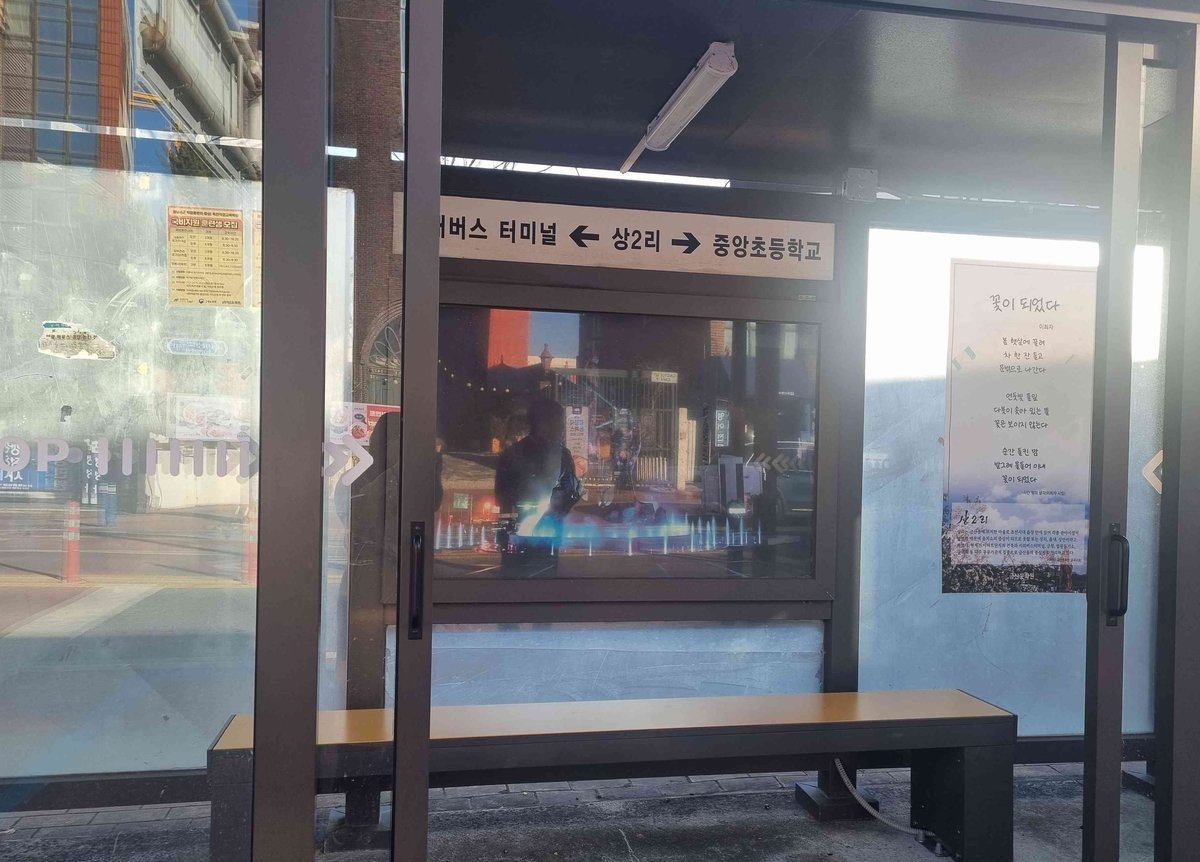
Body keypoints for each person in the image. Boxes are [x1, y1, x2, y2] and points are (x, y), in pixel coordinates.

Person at [494, 399, 581, 568]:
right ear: (543, 423)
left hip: (518, 535)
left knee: (515, 578)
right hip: (544, 535)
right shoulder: (561, 455)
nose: (562, 428)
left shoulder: (511, 454)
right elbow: (570, 492)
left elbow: (502, 498)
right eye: (558, 422)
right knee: (543, 577)